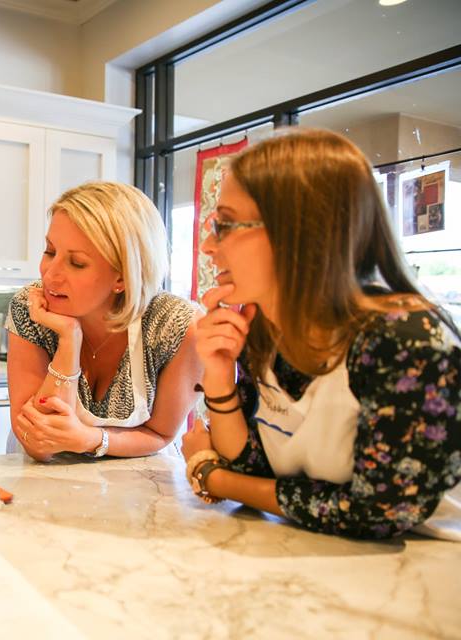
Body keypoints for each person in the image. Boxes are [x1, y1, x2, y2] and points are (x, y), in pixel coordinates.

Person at [181, 128, 460, 539]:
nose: (207, 244)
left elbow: (375, 512)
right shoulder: (265, 329)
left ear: (299, 231)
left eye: (224, 225)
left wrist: (210, 476)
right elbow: (256, 468)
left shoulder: (407, 341)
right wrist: (219, 379)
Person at [7, 181, 202, 462]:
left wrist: (90, 439)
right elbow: (39, 444)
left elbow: (160, 434)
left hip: (139, 487)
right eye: (50, 252)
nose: (50, 275)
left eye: (76, 263)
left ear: (122, 277)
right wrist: (69, 339)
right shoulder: (31, 307)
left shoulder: (175, 326)